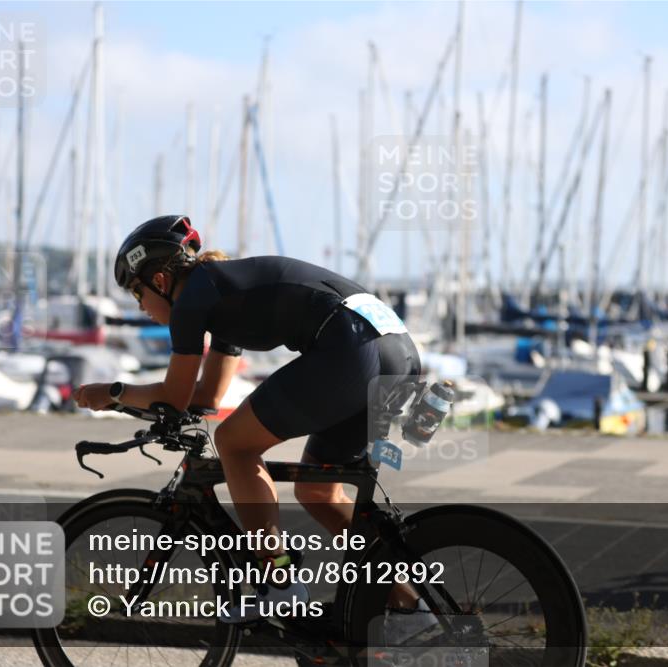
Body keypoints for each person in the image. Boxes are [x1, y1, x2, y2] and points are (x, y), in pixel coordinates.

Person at [74, 215, 435, 634]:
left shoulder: (192, 300)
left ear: (159, 279)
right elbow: (207, 397)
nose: (139, 306)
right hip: (396, 350)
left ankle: (279, 579)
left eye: (137, 293)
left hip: (354, 349)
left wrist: (115, 392)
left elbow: (174, 396)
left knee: (234, 443)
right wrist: (141, 403)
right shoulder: (219, 293)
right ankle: (413, 610)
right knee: (317, 491)